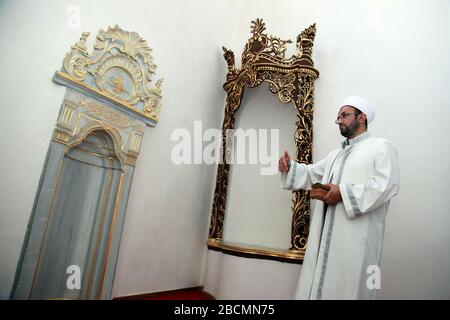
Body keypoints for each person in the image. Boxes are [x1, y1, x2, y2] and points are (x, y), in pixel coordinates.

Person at [279, 96, 400, 299]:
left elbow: (386, 186)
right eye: (338, 117)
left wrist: (343, 193)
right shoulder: (336, 155)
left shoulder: (381, 147)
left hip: (355, 241)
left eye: (344, 115)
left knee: (349, 287)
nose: (339, 121)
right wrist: (289, 167)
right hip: (324, 237)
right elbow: (310, 174)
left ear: (361, 118)